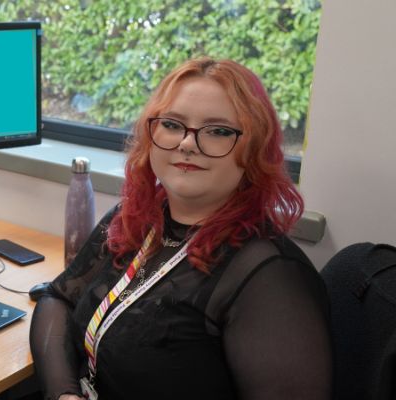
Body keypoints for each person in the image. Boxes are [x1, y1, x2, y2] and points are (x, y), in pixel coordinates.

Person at [29, 58, 331, 400]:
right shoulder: (139, 217)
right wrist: (64, 394)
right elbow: (57, 298)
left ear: (254, 149)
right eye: (173, 125)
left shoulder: (270, 277)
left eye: (218, 131)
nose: (187, 143)